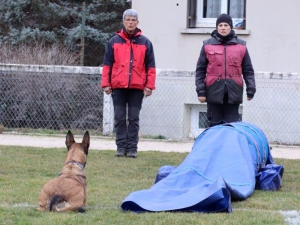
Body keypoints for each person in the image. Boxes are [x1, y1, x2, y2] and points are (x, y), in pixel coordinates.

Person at [100, 9, 156, 158]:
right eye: (128, 20)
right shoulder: (113, 42)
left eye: (133, 20)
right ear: (123, 22)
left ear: (137, 23)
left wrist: (149, 85)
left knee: (133, 118)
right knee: (119, 117)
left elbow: (151, 67)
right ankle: (120, 147)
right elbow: (107, 65)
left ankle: (132, 149)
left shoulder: (145, 43)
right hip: (118, 87)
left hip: (137, 88)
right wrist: (106, 83)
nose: (130, 22)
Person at [195, 14, 256, 127]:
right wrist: (201, 92)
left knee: (231, 125)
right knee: (214, 125)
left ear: (231, 27)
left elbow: (248, 70)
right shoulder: (207, 45)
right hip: (213, 91)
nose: (223, 28)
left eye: (226, 25)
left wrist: (251, 88)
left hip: (233, 92)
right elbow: (200, 70)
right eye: (220, 25)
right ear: (217, 27)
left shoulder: (241, 46)